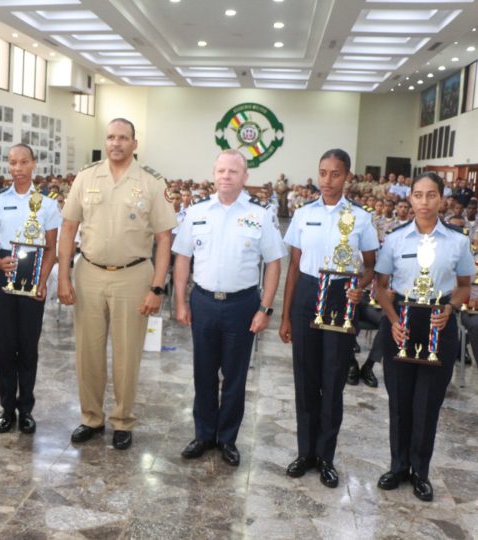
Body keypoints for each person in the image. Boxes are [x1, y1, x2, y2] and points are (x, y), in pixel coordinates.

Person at [58, 118, 176, 450]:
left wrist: (157, 287)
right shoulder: (86, 177)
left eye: (123, 138)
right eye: (110, 137)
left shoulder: (151, 182)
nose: (116, 143)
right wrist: (64, 277)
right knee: (88, 351)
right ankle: (91, 418)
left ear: (134, 144)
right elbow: (68, 229)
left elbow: (165, 239)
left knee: (127, 353)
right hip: (90, 272)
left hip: (133, 275)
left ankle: (123, 420)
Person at [173, 150, 286, 463]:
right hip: (204, 301)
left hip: (242, 305)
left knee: (235, 376)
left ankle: (227, 439)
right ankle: (204, 435)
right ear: (214, 174)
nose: (226, 176)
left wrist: (265, 309)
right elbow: (182, 257)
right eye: (221, 171)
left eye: (233, 172)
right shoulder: (196, 212)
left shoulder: (260, 215)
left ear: (245, 177)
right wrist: (180, 300)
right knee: (203, 373)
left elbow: (274, 263)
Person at [279, 148, 379, 487]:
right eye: (323, 173)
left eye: (335, 173)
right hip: (307, 294)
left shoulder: (361, 218)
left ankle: (325, 457)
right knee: (305, 380)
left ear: (347, 176)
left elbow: (370, 266)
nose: (327, 180)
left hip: (340, 297)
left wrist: (360, 287)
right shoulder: (303, 214)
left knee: (332, 381)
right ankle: (305, 452)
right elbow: (293, 266)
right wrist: (286, 316)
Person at [374, 171, 473, 501]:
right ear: (410, 198)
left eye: (431, 195)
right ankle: (398, 465)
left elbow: (463, 287)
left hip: (437, 324)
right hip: (402, 320)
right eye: (418, 195)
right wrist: (391, 319)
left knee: (427, 404)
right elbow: (382, 286)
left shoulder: (457, 241)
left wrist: (451, 308)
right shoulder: (396, 238)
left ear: (442, 199)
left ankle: (421, 471)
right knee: (400, 400)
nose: (424, 202)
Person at [0, 144, 61, 434]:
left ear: (34, 164)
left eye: (23, 162)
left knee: (28, 347)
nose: (18, 168)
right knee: (5, 347)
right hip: (3, 276)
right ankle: (6, 409)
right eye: (13, 163)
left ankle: (26, 409)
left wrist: (41, 283)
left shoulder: (49, 204)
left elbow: (52, 249)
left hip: (35, 276)